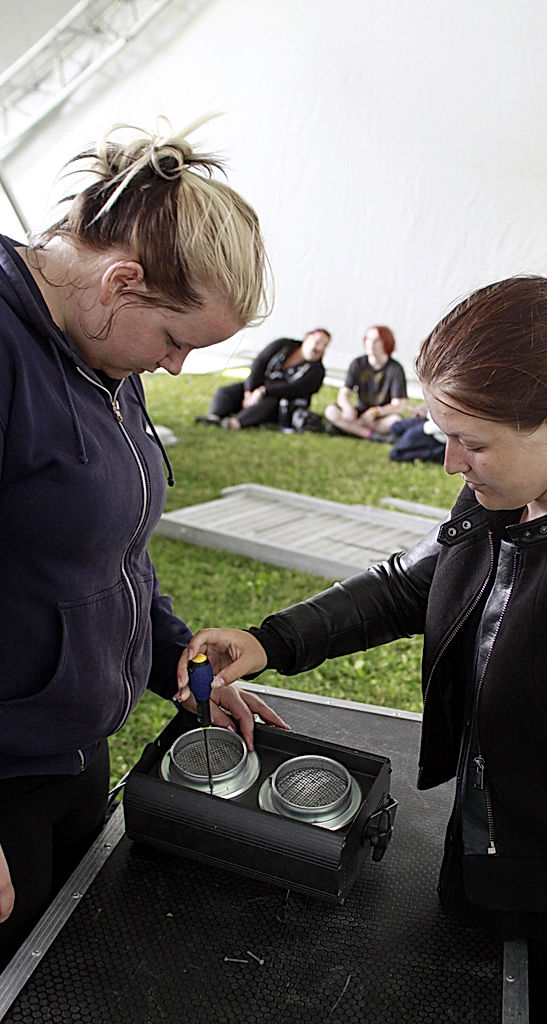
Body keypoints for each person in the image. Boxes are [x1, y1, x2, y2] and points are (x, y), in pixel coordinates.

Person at [177, 276, 547, 1024]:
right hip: (479, 860)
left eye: (471, 443)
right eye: (443, 433)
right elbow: (402, 586)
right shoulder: (496, 501)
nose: (449, 463)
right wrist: (270, 640)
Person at [0, 116, 288, 970]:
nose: (172, 370)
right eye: (175, 342)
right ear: (122, 281)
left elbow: (111, 546)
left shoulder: (103, 353)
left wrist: (176, 662)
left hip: (73, 750)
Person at [195, 328, 331, 430]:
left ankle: (235, 423)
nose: (319, 348)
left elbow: (293, 389)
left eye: (324, 346)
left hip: (281, 400)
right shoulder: (283, 345)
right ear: (307, 338)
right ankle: (214, 417)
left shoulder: (317, 371)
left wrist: (263, 392)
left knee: (268, 404)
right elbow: (259, 363)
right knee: (226, 392)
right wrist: (249, 390)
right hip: (257, 388)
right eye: (318, 341)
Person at [324, 324, 407, 440]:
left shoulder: (395, 369)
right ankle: (371, 435)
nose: (371, 344)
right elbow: (344, 392)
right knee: (331, 411)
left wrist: (375, 412)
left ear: (386, 342)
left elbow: (399, 405)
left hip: (380, 416)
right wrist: (347, 407)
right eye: (368, 339)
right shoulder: (358, 363)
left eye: (376, 340)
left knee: (395, 421)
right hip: (359, 414)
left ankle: (348, 429)